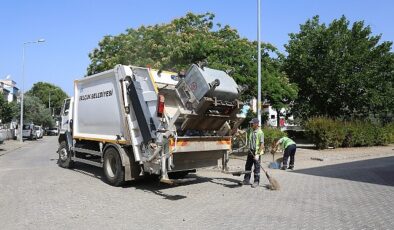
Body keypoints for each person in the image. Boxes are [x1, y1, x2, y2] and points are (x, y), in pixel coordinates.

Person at [238, 118, 264, 188]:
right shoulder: (251, 130)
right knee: (248, 166)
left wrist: (258, 154)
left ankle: (256, 181)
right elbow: (242, 131)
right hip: (250, 151)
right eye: (251, 123)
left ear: (257, 124)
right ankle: (246, 180)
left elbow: (262, 145)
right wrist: (238, 131)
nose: (251, 124)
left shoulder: (260, 133)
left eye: (252, 123)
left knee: (256, 168)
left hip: (256, 152)